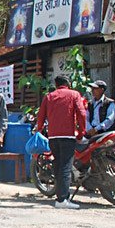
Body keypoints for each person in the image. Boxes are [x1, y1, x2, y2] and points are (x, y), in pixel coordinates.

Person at [34, 75, 87, 209]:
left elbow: (41, 115)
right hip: (68, 136)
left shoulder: (49, 96)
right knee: (65, 167)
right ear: (68, 83)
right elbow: (81, 113)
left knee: (58, 166)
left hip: (53, 137)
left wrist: (39, 130)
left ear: (56, 85)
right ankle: (62, 200)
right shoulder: (74, 94)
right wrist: (81, 132)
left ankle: (61, 195)